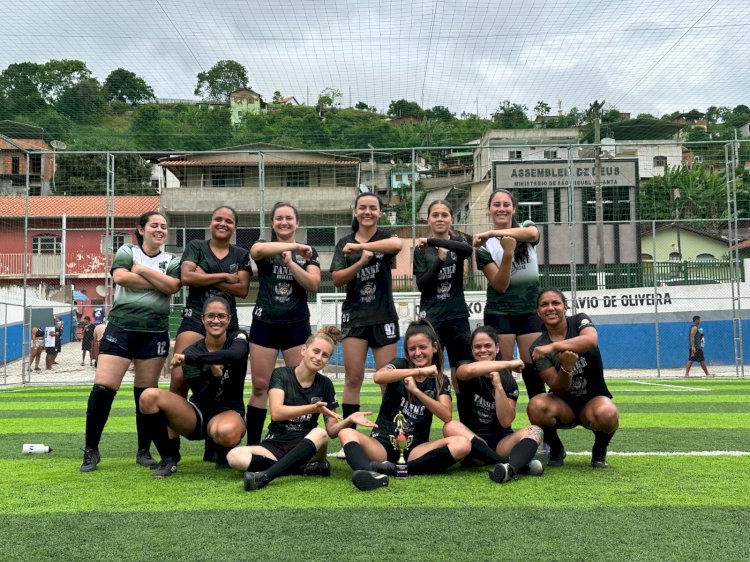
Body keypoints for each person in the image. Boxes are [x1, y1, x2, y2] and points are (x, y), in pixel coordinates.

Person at [80, 211, 181, 473]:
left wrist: (142, 272)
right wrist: (156, 281)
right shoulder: (127, 250)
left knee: (145, 394)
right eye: (154, 225)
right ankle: (91, 450)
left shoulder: (172, 259)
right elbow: (121, 278)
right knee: (103, 389)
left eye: (164, 226)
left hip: (154, 332)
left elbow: (172, 286)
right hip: (121, 328)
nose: (160, 229)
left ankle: (143, 451)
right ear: (141, 229)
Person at [227, 326, 371, 491]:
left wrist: (349, 419)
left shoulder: (325, 384)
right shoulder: (281, 374)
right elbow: (277, 413)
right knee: (234, 457)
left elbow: (331, 431)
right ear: (304, 350)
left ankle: (266, 476)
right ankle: (301, 468)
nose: (319, 357)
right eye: (315, 351)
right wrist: (312, 408)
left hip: (308, 446)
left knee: (320, 432)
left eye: (325, 355)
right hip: (276, 443)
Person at [337, 320, 471, 491]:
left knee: (462, 444)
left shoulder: (440, 380)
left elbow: (446, 415)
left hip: (415, 450)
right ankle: (370, 474)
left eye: (422, 347)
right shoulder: (401, 365)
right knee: (346, 432)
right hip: (382, 445)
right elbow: (379, 377)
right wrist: (418, 371)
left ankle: (401, 470)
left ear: (435, 347)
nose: (417, 353)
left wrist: (416, 391)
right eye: (412, 349)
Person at [170, 206, 252, 461]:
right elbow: (186, 277)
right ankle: (171, 452)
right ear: (210, 222)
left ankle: (215, 441)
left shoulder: (241, 253)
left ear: (234, 227)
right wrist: (226, 276)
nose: (223, 223)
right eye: (218, 219)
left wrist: (204, 276)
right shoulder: (196, 245)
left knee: (225, 379)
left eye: (229, 221)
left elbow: (242, 290)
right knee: (179, 380)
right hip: (195, 317)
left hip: (226, 322)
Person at [138, 296, 249, 478]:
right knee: (148, 396)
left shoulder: (238, 338)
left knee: (227, 432)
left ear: (229, 319)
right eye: (211, 316)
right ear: (203, 319)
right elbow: (203, 396)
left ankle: (223, 455)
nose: (216, 320)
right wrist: (214, 376)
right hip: (198, 414)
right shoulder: (192, 350)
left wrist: (196, 360)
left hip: (229, 411)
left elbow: (235, 355)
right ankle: (168, 458)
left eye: (221, 316)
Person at [246, 202, 321, 446]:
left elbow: (313, 284)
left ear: (297, 222)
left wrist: (292, 262)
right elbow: (256, 251)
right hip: (265, 324)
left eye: (289, 218)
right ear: (273, 223)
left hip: (296, 325)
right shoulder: (267, 247)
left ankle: (300, 443)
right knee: (259, 386)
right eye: (279, 218)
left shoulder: (309, 252)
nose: (284, 222)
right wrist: (293, 246)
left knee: (300, 386)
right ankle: (254, 445)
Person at [330, 192, 403, 447]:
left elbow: (397, 246)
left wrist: (362, 248)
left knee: (387, 379)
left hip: (384, 316)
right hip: (355, 318)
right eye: (363, 208)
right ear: (356, 211)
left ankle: (386, 437)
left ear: (379, 212)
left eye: (373, 208)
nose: (367, 212)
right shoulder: (344, 243)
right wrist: (361, 261)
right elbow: (337, 278)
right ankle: (348, 438)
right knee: (353, 378)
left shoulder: (385, 237)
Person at [528, 288, 620, 468]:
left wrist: (553, 347)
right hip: (564, 405)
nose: (550, 308)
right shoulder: (537, 347)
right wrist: (566, 367)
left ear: (565, 307)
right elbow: (558, 387)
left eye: (556, 303)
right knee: (535, 406)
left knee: (608, 413)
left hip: (592, 400)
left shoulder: (579, 321)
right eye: (544, 304)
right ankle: (556, 449)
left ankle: (599, 451)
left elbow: (591, 340)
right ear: (538, 312)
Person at [444, 325, 544, 483]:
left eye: (487, 345)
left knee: (536, 431)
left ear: (497, 348)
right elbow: (468, 371)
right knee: (450, 426)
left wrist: (498, 386)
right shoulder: (465, 367)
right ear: (472, 350)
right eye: (477, 347)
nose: (482, 350)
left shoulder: (508, 380)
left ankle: (509, 469)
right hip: (473, 445)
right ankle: (514, 465)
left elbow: (506, 421)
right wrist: (508, 364)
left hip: (501, 443)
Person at [474, 189, 544, 399]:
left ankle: (542, 424)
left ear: (514, 208)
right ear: (489, 210)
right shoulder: (484, 248)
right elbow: (500, 286)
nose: (502, 209)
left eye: (506, 204)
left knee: (533, 367)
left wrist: (493, 233)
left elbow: (533, 234)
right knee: (502, 370)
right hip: (500, 312)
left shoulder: (525, 229)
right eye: (496, 205)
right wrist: (507, 253)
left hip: (529, 311)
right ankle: (501, 427)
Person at [413, 199, 473, 400]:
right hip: (432, 317)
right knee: (430, 368)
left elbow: (468, 251)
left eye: (444, 215)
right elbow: (422, 285)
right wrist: (439, 260)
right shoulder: (420, 250)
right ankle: (430, 413)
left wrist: (434, 241)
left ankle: (466, 415)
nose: (440, 219)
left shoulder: (458, 243)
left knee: (463, 367)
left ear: (451, 218)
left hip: (457, 315)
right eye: (435, 215)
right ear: (428, 219)